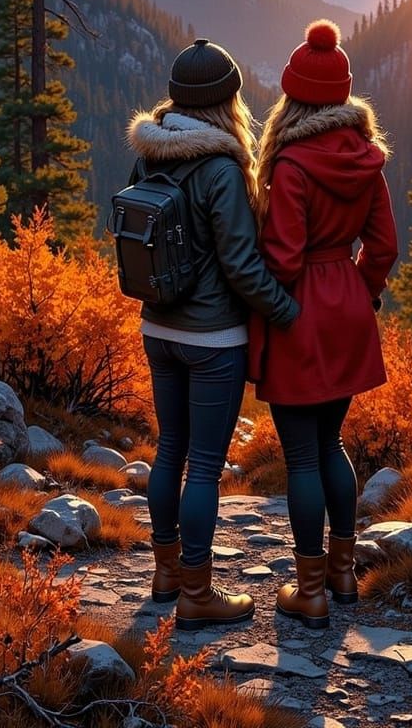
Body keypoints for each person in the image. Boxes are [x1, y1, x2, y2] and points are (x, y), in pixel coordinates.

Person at [127, 38, 299, 631]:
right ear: (228, 100)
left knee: (168, 450)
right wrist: (286, 313)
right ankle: (198, 595)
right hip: (212, 340)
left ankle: (167, 573)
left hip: (157, 325)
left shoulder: (150, 152)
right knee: (203, 465)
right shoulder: (222, 168)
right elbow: (242, 266)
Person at [250, 19, 399, 629]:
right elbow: (383, 246)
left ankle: (308, 590)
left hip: (299, 320)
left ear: (293, 97)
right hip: (347, 313)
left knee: (302, 459)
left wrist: (268, 299)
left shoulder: (290, 166)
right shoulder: (368, 159)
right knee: (331, 443)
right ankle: (342, 576)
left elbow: (283, 261)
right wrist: (356, 293)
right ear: (342, 96)